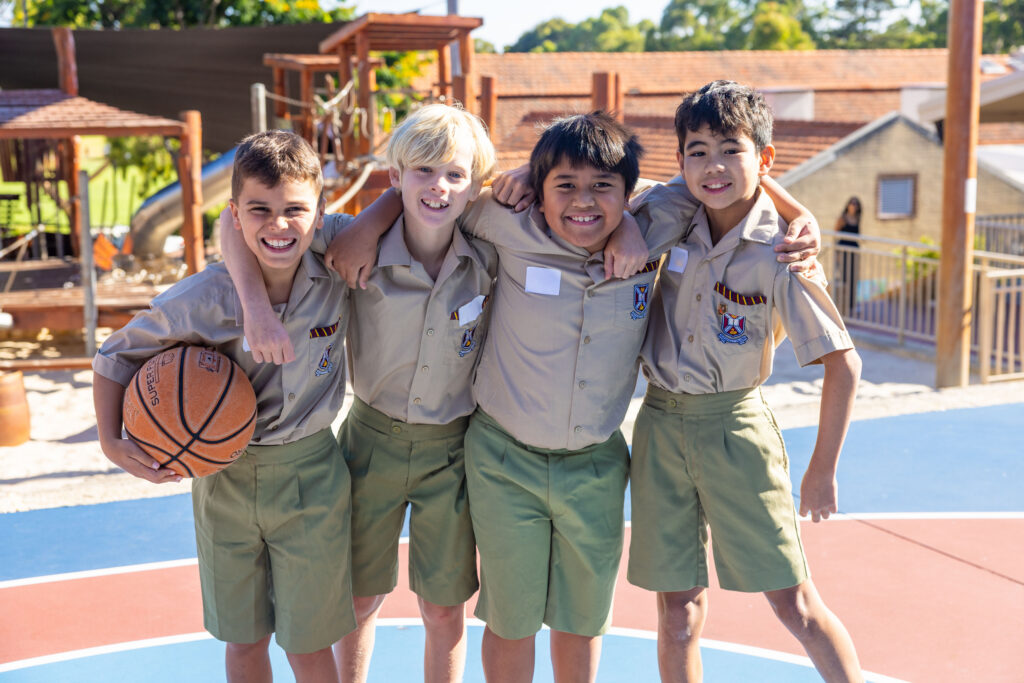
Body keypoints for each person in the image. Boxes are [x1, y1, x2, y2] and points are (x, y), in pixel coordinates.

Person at [324, 111, 821, 683]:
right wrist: (373, 216)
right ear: (538, 191)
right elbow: (439, 194)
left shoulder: (659, 221)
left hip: (596, 465)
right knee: (508, 621)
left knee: (580, 623)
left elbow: (719, 176)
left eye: (604, 189)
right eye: (564, 186)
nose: (584, 201)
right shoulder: (503, 222)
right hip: (502, 459)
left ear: (630, 195)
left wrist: (795, 211)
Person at [220, 104, 498, 683]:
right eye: (420, 171)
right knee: (357, 600)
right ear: (394, 178)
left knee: (444, 608)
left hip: (453, 450)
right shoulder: (344, 239)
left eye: (454, 174)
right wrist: (254, 310)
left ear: (476, 186)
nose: (439, 186)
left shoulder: (491, 245)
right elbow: (233, 222)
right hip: (369, 443)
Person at [93, 130, 355, 683]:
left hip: (311, 474)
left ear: (322, 211)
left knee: (309, 647)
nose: (279, 224)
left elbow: (393, 213)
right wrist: (112, 441)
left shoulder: (335, 262)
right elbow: (114, 354)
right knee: (243, 642)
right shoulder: (204, 297)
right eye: (259, 210)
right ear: (235, 214)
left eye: (295, 211)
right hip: (222, 478)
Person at [627, 80, 864, 683]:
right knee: (677, 612)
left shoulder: (782, 250)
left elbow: (844, 363)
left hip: (736, 430)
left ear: (763, 159)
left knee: (795, 605)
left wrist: (822, 468)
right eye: (697, 151)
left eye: (730, 149)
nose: (712, 166)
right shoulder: (671, 214)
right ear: (680, 162)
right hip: (659, 429)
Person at [835, 196, 861, 315]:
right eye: (852, 203)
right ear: (848, 205)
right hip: (843, 250)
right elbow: (835, 234)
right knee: (845, 277)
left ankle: (852, 305)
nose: (854, 206)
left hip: (854, 251)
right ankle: (843, 305)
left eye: (856, 204)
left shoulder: (857, 218)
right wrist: (837, 254)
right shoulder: (843, 218)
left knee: (853, 278)